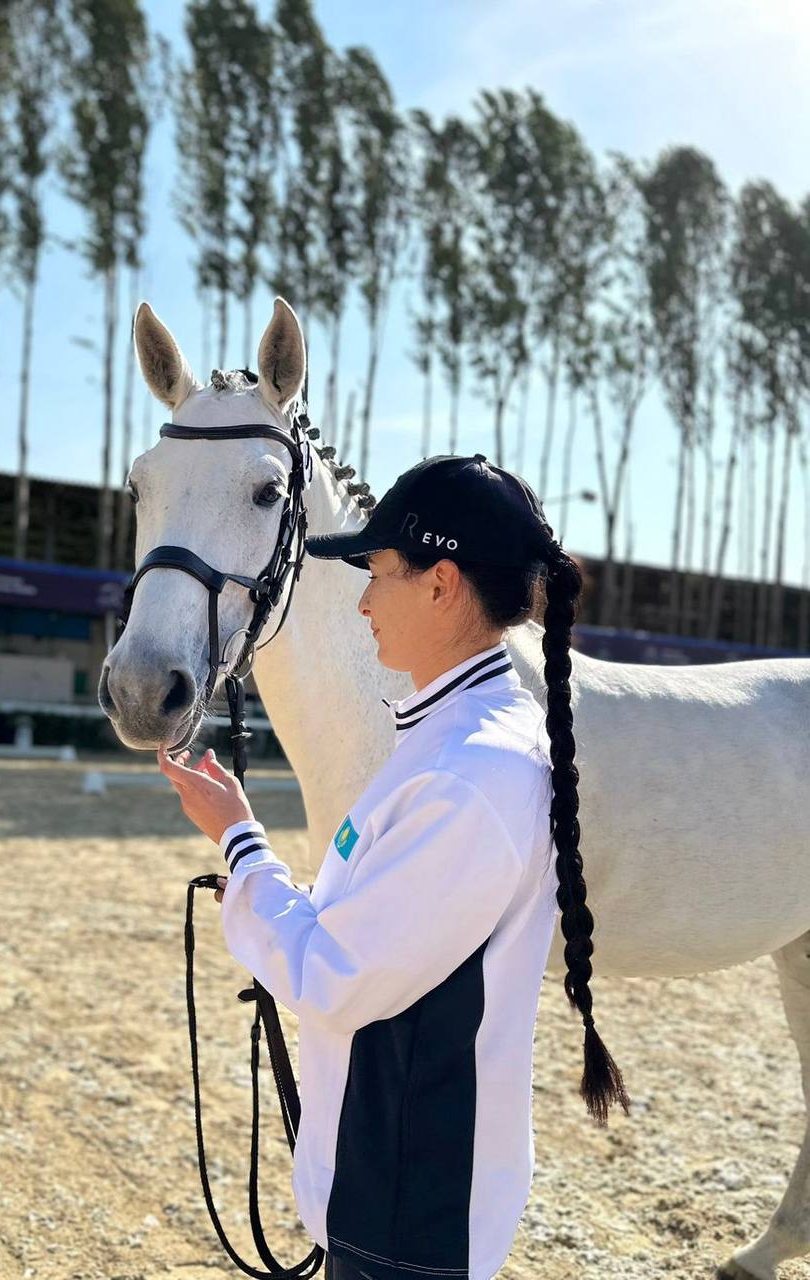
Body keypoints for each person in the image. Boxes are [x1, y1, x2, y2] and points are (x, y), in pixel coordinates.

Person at [157, 452, 630, 1280]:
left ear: (441, 583)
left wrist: (240, 840)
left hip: (411, 1206)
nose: (365, 602)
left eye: (377, 574)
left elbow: (336, 973)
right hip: (400, 1182)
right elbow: (374, 928)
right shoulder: (450, 743)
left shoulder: (468, 774)